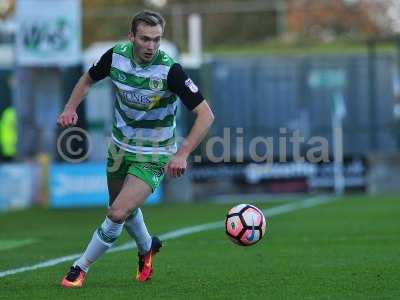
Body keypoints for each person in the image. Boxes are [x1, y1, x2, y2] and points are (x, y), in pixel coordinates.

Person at [57, 10, 214, 287]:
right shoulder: (115, 56)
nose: (151, 46)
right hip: (119, 147)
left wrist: (182, 153)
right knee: (119, 208)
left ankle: (79, 268)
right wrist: (70, 107)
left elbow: (206, 115)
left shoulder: (170, 70)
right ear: (132, 37)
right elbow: (87, 79)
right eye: (145, 39)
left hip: (155, 153)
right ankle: (146, 247)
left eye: (157, 40)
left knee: (117, 213)